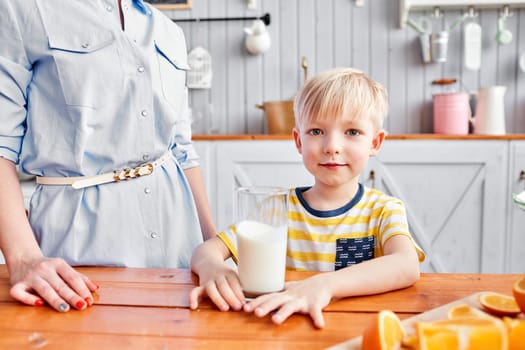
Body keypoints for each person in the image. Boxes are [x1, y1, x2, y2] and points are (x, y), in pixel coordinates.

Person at [0, 0, 216, 313]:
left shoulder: (169, 31)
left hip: (178, 236)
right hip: (81, 243)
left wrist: (216, 248)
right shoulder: (23, 9)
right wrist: (23, 258)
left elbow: (181, 148)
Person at [189, 67, 425, 328]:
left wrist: (323, 285)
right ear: (298, 141)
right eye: (316, 131)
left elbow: (406, 265)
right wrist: (213, 268)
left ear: (375, 143)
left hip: (359, 331)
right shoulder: (278, 209)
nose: (332, 146)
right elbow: (206, 251)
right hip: (286, 329)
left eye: (352, 132)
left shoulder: (384, 210)